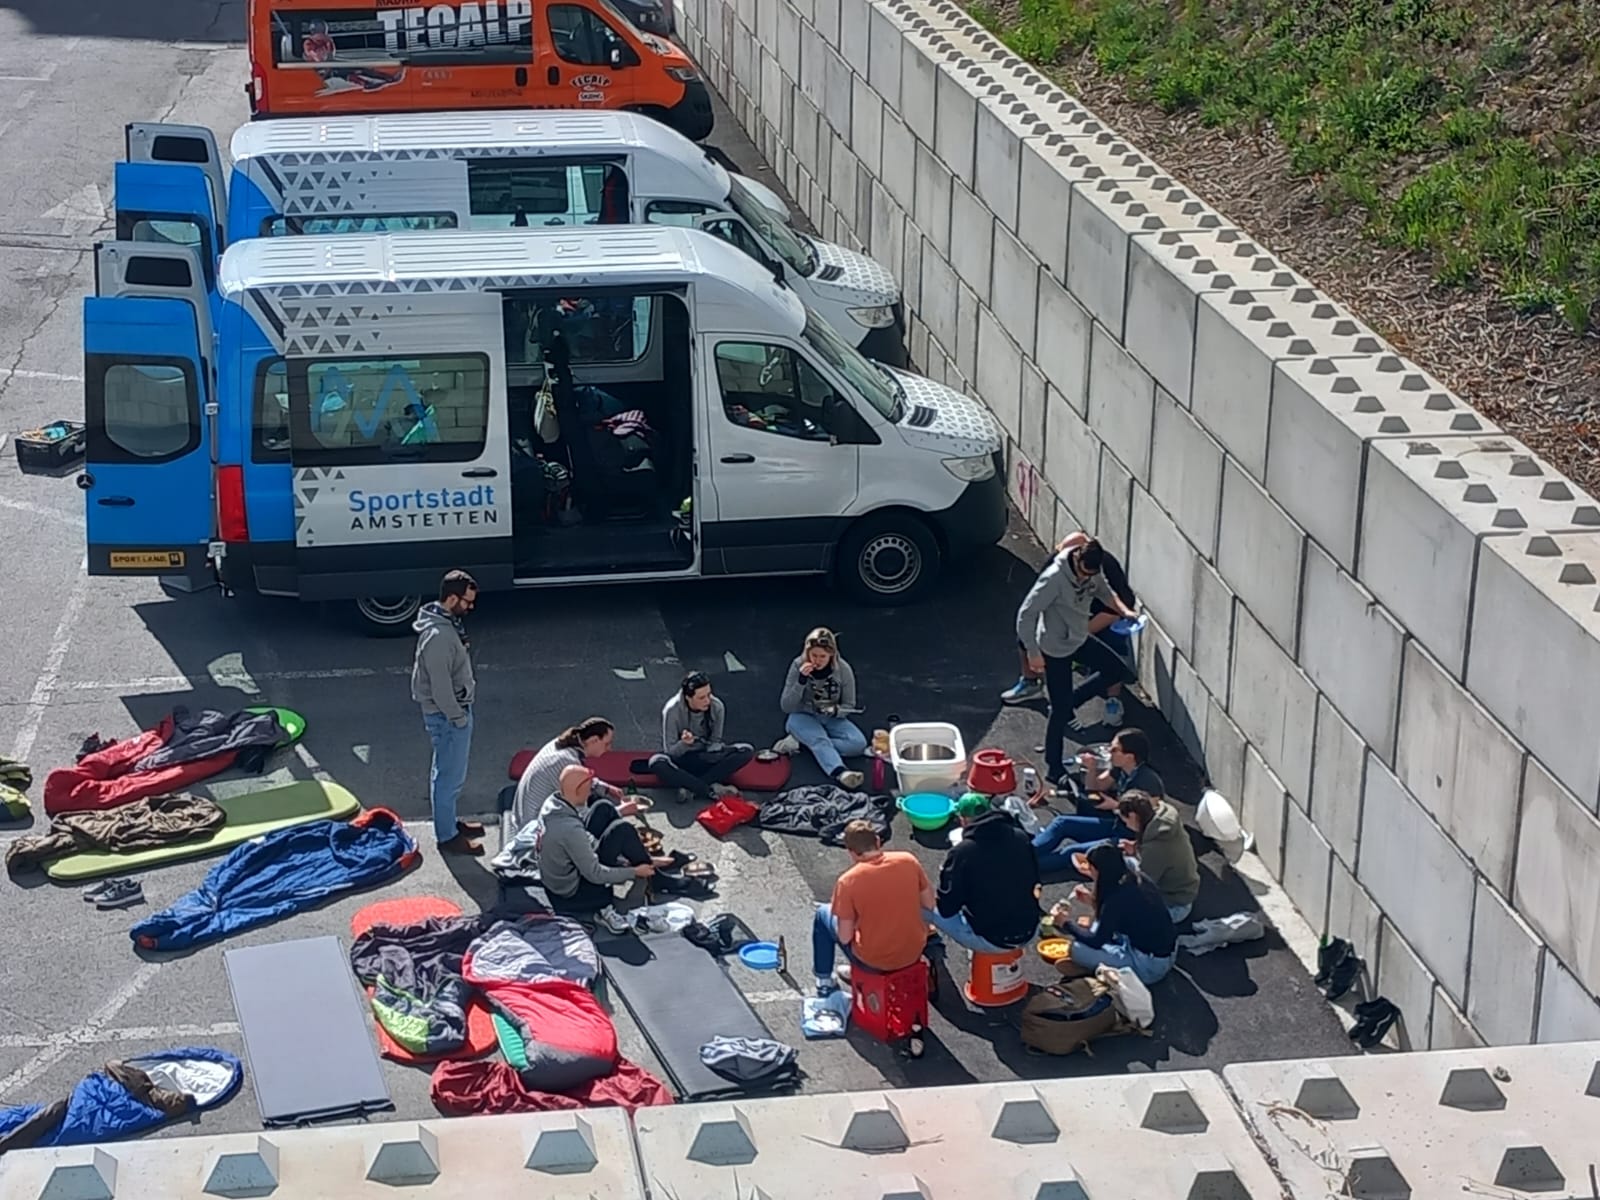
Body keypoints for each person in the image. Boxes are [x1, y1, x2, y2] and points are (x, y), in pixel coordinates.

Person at [1014, 535, 1141, 784]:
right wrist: (1033, 653)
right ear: (1077, 557)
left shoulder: (1094, 569)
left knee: (1118, 671)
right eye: (1083, 573)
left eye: (1090, 574)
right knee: (1060, 714)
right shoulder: (1054, 578)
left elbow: (1106, 592)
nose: (1085, 578)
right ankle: (1054, 767)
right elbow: (1026, 615)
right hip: (1055, 647)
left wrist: (1125, 611)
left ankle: (1069, 700)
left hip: (1079, 636)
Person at [537, 764, 672, 933]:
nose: (589, 793)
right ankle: (648, 875)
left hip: (561, 870)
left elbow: (585, 838)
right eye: (588, 789)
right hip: (569, 893)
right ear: (578, 791)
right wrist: (633, 872)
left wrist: (622, 861)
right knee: (622, 829)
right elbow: (595, 874)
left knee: (603, 808)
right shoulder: (569, 829)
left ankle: (649, 867)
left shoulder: (553, 803)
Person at [812, 819, 935, 996]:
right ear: (877, 841)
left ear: (851, 852)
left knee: (822, 914)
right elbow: (929, 904)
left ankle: (824, 979)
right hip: (913, 951)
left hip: (873, 960)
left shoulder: (847, 881)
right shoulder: (908, 860)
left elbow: (845, 937)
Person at [412, 570, 485, 856]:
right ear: (451, 598)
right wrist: (458, 717)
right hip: (448, 716)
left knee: (446, 773)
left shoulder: (444, 622)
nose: (470, 607)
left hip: (449, 713)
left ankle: (449, 823)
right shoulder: (440, 637)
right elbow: (441, 688)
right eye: (466, 601)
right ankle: (447, 837)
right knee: (448, 777)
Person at [1033, 728, 1164, 872]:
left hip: (1130, 839)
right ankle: (1024, 853)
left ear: (1129, 756)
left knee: (1071, 852)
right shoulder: (1121, 769)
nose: (1109, 752)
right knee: (1062, 823)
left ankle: (1022, 866)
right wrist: (1091, 768)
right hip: (1116, 825)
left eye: (1114, 749)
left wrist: (1116, 805)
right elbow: (1095, 787)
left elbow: (1151, 820)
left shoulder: (1149, 781)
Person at [929, 794, 1042, 952]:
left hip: (992, 938)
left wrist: (946, 874)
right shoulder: (1020, 836)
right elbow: (1034, 879)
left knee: (919, 903)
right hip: (1030, 929)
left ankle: (927, 948)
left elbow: (946, 908)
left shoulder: (963, 852)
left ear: (963, 820)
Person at [1052, 842, 1177, 985]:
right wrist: (1093, 901)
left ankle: (1096, 970)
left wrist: (1065, 923)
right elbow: (1122, 913)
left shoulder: (1114, 900)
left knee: (1076, 948)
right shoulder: (1138, 879)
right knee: (1095, 926)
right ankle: (1099, 964)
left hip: (1148, 967)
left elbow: (1096, 941)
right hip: (1162, 953)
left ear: (1096, 870)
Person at [776, 627, 868, 789]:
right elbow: (786, 706)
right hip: (802, 715)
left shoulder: (843, 669)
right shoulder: (798, 665)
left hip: (830, 716)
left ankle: (804, 743)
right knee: (819, 740)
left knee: (858, 744)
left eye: (823, 656)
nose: (817, 660)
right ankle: (840, 772)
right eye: (814, 655)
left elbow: (849, 705)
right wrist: (801, 681)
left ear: (831, 655)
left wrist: (836, 711)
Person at [648, 671, 756, 803]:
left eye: (709, 695)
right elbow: (670, 751)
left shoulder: (717, 707)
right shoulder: (672, 710)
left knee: (746, 750)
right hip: (681, 760)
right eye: (701, 698)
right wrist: (684, 743)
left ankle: (690, 787)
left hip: (706, 758)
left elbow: (716, 740)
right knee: (656, 762)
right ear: (688, 697)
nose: (707, 701)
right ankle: (708, 789)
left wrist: (714, 751)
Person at [512, 717, 625, 830]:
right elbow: (581, 815)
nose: (610, 749)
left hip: (529, 813)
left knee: (597, 800)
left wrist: (605, 787)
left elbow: (578, 780)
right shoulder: (565, 762)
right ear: (594, 740)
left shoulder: (562, 745)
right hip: (534, 827)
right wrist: (620, 811)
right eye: (607, 744)